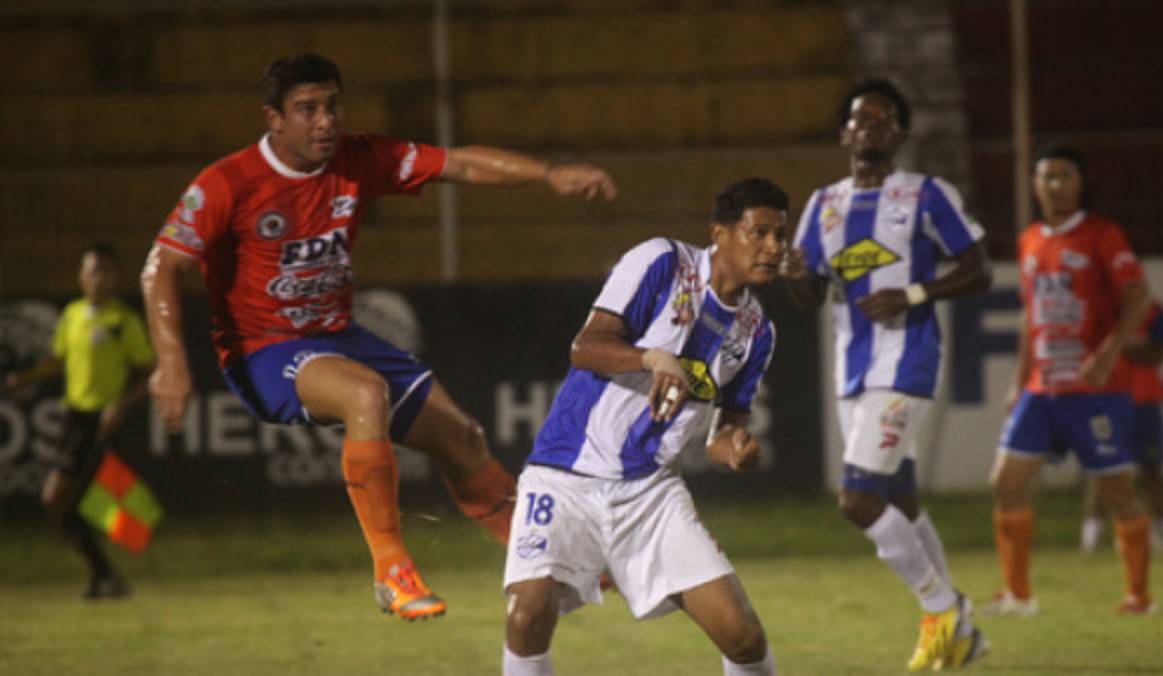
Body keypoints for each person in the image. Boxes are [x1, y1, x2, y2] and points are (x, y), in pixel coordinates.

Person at [140, 53, 617, 621]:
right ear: (274, 119)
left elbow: (458, 164)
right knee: (365, 394)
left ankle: (547, 566)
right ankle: (392, 571)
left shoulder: (359, 159)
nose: (325, 121)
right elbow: (161, 267)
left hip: (339, 337)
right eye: (307, 109)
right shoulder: (228, 183)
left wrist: (547, 174)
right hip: (264, 350)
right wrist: (171, 361)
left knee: (462, 438)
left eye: (332, 106)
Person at [502, 178, 786, 676]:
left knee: (742, 636)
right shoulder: (662, 262)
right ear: (719, 233)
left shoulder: (757, 331)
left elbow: (725, 432)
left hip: (650, 492)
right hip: (566, 472)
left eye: (780, 237)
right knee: (528, 613)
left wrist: (737, 447)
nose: (773, 248)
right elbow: (585, 348)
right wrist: (654, 358)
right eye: (759, 233)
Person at [782, 78, 992, 671]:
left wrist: (917, 291)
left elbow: (979, 270)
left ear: (899, 134)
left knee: (856, 499)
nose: (869, 126)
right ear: (844, 134)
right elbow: (810, 296)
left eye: (882, 119)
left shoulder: (926, 195)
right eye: (859, 118)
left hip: (908, 361)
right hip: (853, 369)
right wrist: (795, 274)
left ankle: (943, 607)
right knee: (899, 496)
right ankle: (963, 631)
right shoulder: (823, 205)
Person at [985, 144, 1154, 616]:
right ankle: (1019, 595)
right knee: (1005, 482)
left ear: (1079, 183)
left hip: (1095, 389)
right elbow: (1029, 316)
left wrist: (1107, 351)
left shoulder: (1103, 234)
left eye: (1063, 176)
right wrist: (1019, 382)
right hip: (1042, 388)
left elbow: (1138, 295)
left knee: (1118, 491)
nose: (1054, 185)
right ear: (1035, 185)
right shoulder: (1030, 240)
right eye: (1046, 177)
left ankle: (1139, 595)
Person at [5, 243, 155, 599]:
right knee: (64, 502)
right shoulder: (72, 315)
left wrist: (121, 405)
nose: (99, 278)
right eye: (93, 271)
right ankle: (106, 574)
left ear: (116, 278)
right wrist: (24, 378)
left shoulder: (123, 321)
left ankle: (112, 567)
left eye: (106, 271)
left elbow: (149, 372)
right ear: (81, 277)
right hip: (74, 417)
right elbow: (58, 360)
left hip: (101, 422)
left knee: (61, 498)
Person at [1080, 299, 1163, 553]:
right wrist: (1126, 347)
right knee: (1103, 471)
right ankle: (1090, 540)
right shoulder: (1096, 308)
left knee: (1151, 470)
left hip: (1144, 399)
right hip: (1106, 399)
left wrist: (1116, 346)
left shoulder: (1151, 310)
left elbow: (1157, 354)